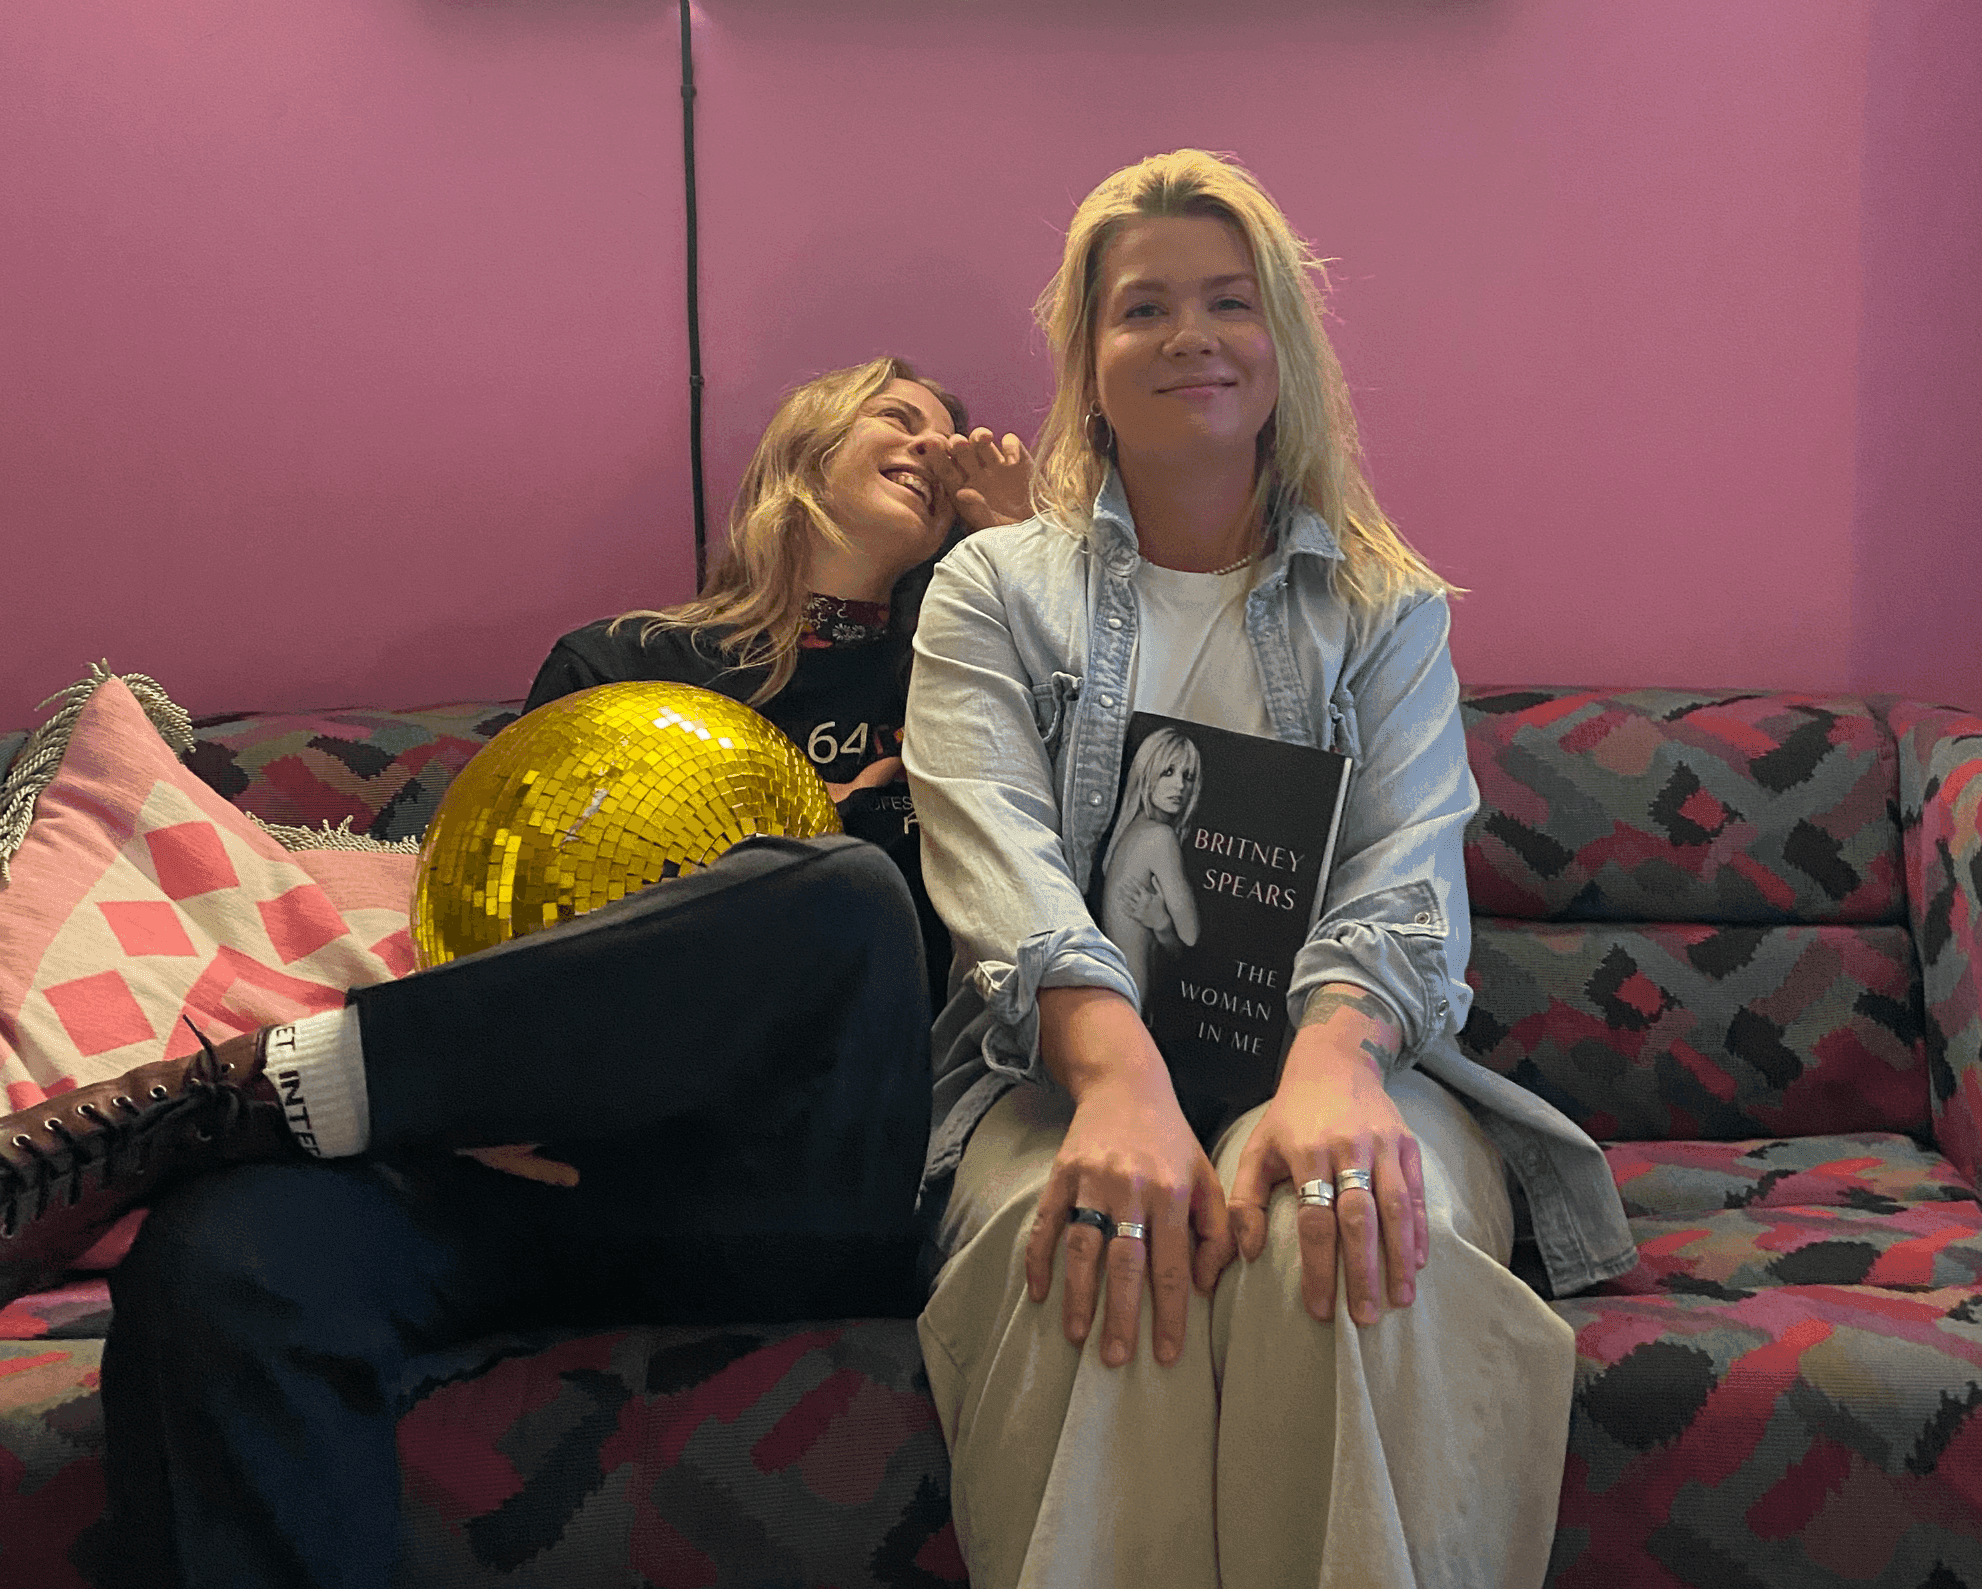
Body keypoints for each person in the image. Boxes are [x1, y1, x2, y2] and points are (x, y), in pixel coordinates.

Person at [0, 355, 1029, 1589]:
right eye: (898, 416)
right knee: (229, 1250)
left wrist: (1012, 560)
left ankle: (248, 1090)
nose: (932, 444)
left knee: (845, 891)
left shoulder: (970, 662)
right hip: (562, 1157)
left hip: (815, 1166)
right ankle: (268, 1113)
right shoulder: (620, 661)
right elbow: (494, 906)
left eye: (953, 433)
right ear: (806, 443)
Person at [902, 153, 1636, 1589]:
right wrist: (1117, 1081)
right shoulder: (987, 592)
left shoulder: (1383, 603)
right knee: (1098, 1238)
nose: (1191, 335)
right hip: (1055, 1082)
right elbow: (994, 855)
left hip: (1341, 1062)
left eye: (1229, 301)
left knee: (1330, 1231)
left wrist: (1338, 1063)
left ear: (1282, 343)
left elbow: (1406, 871)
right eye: (1143, 307)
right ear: (1087, 361)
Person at [1097, 726, 1203, 1011]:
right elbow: (1191, 938)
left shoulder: (1129, 832)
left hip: (1116, 998)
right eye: (1168, 772)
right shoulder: (1160, 838)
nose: (1180, 786)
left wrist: (1160, 923)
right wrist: (1163, 923)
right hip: (1133, 1005)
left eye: (1188, 776)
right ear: (1147, 773)